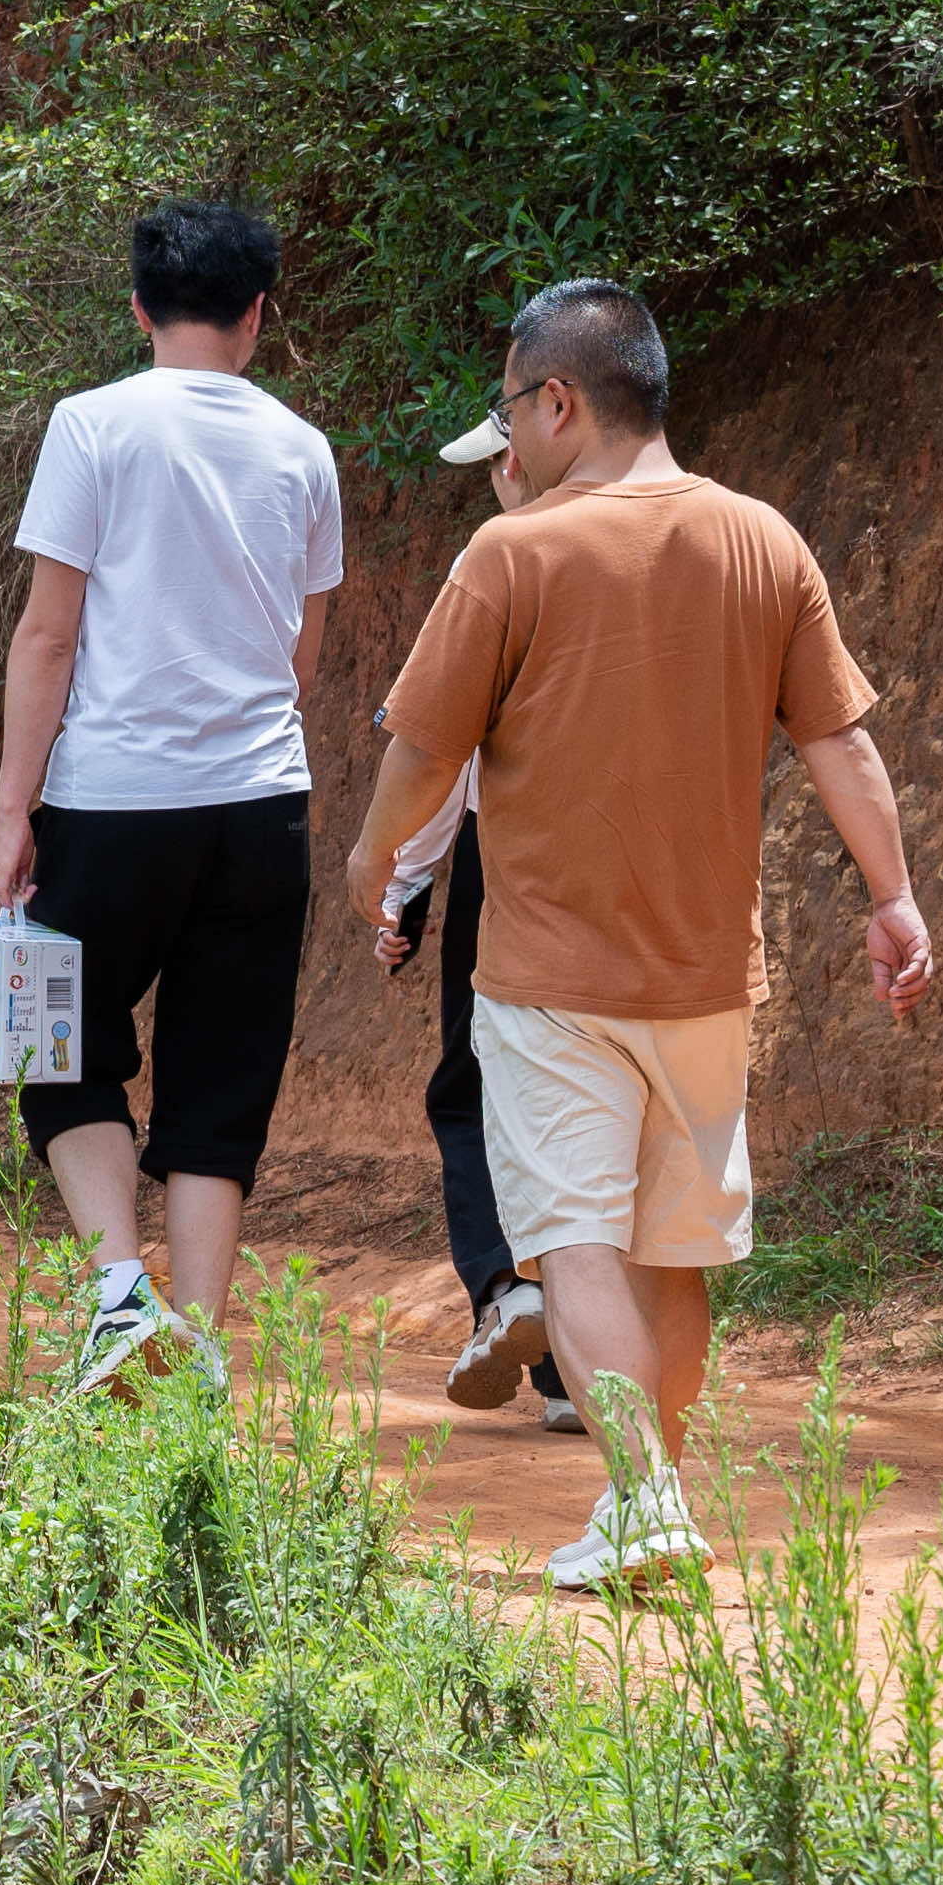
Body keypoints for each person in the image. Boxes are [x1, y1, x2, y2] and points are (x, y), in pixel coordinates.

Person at [343, 281, 937, 1594]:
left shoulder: (513, 556)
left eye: (512, 408)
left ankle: (650, 1497)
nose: (511, 436)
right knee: (675, 1253)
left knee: (574, 1243)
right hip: (709, 977)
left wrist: (373, 861)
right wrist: (893, 896)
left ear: (559, 401)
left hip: (552, 976)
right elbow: (837, 739)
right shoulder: (762, 541)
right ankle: (648, 1496)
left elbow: (422, 747)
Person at [0, 198, 348, 1391]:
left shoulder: (91, 426)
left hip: (115, 801)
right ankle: (194, 1340)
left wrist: (11, 811)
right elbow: (303, 659)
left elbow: (48, 636)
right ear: (256, 313)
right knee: (221, 1068)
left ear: (139, 307)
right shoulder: (303, 448)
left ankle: (117, 1297)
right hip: (260, 811)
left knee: (54, 1036)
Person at [379, 409, 572, 1431]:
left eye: (499, 457)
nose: (496, 475)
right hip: (637, 871)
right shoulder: (660, 537)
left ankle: (508, 1291)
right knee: (593, 1098)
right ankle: (589, 1371)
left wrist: (404, 885)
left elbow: (440, 748)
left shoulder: (495, 561)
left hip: (510, 869)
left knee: (475, 1091)